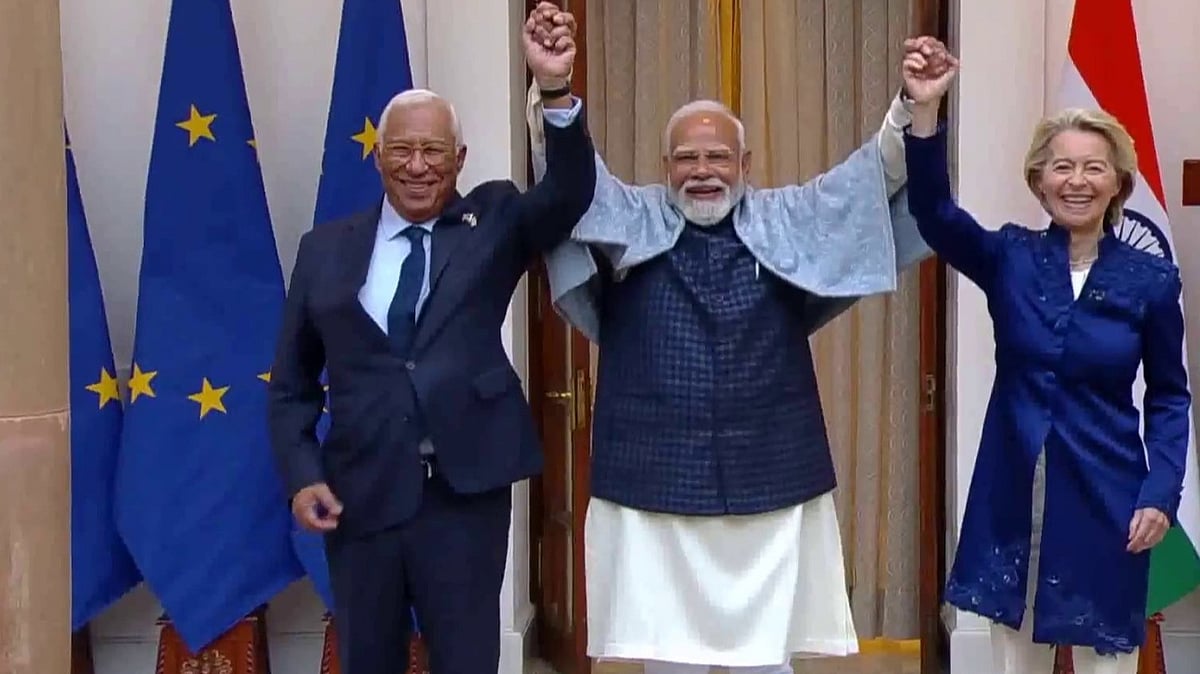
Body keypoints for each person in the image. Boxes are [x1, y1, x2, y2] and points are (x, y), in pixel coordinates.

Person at [527, 23, 955, 674]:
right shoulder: (630, 216)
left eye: (718, 157)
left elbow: (870, 177)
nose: (703, 171)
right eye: (687, 159)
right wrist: (556, 88)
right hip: (653, 481)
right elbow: (571, 184)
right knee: (668, 659)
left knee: (765, 660)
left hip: (770, 481)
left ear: (745, 166)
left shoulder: (789, 217)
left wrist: (916, 104)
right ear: (666, 167)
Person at [266, 5, 593, 674]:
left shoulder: (494, 218)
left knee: (467, 660)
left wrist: (555, 91)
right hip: (361, 493)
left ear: (459, 159)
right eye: (403, 150)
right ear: (379, 156)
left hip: (464, 493)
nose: (418, 166)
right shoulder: (323, 251)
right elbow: (293, 387)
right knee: (370, 659)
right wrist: (302, 478)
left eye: (434, 151)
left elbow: (568, 192)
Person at [903, 63, 1192, 673]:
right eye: (1062, 166)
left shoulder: (1152, 280)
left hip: (1110, 497)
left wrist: (1162, 492)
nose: (1077, 180)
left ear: (1119, 182)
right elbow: (934, 213)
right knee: (1017, 661)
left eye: (1094, 167)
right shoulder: (1010, 256)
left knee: (1104, 661)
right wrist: (924, 113)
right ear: (1038, 181)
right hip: (1014, 496)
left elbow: (1169, 396)